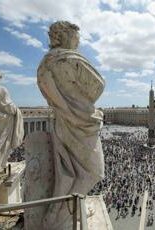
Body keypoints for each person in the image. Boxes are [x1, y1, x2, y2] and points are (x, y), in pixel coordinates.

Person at [37, 21, 105, 229]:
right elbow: (97, 87)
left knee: (68, 172)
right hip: (82, 121)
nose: (79, 41)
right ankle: (62, 216)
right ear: (66, 36)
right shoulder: (70, 59)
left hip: (63, 121)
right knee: (94, 171)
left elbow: (48, 96)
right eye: (77, 37)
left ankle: (64, 210)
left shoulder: (43, 65)